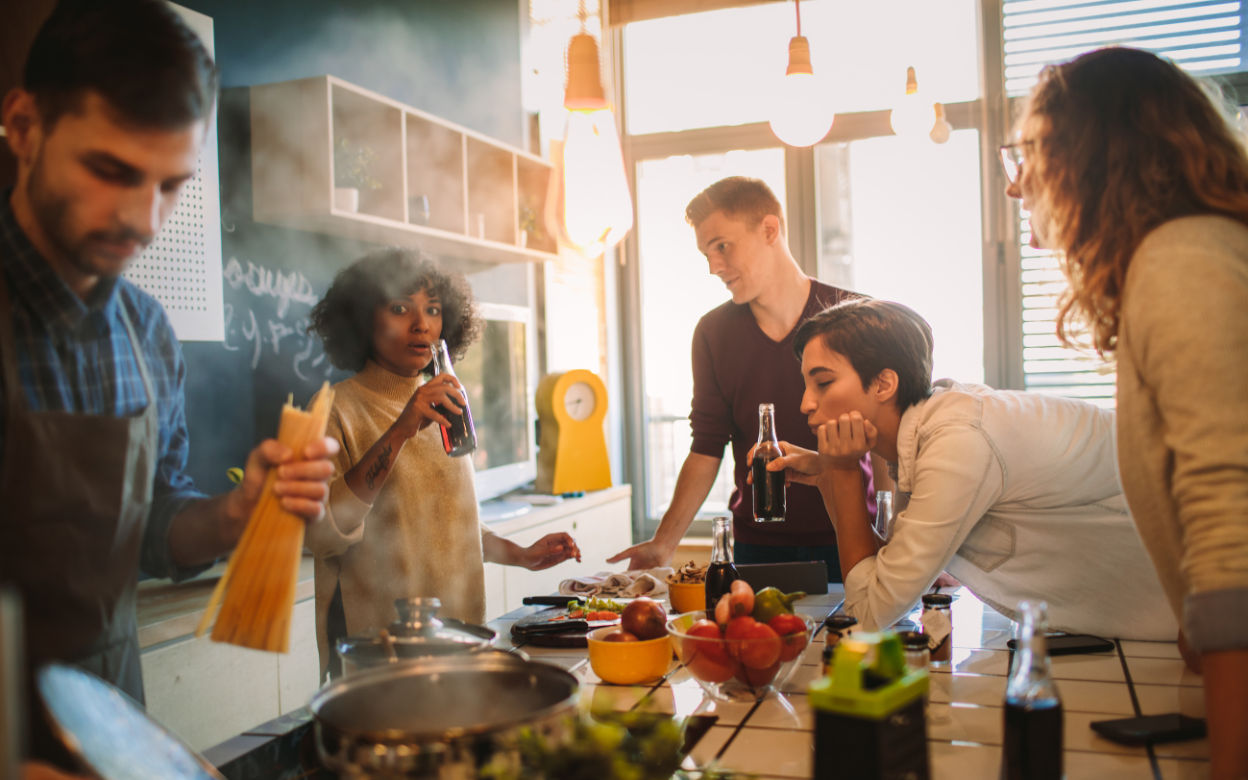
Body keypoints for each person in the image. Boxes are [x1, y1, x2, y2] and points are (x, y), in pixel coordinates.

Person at [0, 0, 336, 772]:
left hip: (109, 719)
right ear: (23, 127)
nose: (144, 219)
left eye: (169, 185)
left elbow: (153, 528)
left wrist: (235, 513)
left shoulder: (146, 329)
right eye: (110, 171)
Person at [1003, 46, 1248, 779]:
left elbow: (1234, 541)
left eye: (1033, 155)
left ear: (1097, 156)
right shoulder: (1180, 257)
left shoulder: (1181, 260)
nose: (1018, 186)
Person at [764, 298, 1176, 642]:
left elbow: (869, 613)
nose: (805, 404)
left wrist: (844, 474)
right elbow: (886, 574)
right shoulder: (929, 431)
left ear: (884, 384)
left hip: (1192, 593)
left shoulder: (957, 440)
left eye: (822, 383)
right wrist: (828, 480)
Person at [305, 249, 581, 679]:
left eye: (432, 309)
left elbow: (448, 526)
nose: (422, 325)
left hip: (461, 644)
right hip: (378, 659)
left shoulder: (443, 400)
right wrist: (401, 429)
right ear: (362, 318)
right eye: (400, 308)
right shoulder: (335, 409)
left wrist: (521, 555)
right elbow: (323, 533)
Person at [609, 176, 878, 580]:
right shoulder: (712, 333)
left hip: (852, 533)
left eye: (722, 246)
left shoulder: (855, 317)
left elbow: (888, 439)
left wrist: (904, 536)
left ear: (769, 229)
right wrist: (664, 542)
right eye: (706, 254)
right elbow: (706, 446)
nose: (714, 267)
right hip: (757, 545)